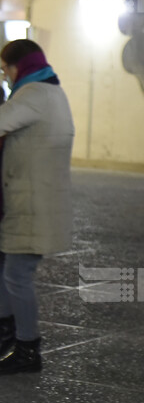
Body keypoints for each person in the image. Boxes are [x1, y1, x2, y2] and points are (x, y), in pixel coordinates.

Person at [0, 39, 74, 375]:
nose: (6, 76)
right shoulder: (53, 92)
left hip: (31, 201)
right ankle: (9, 334)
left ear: (18, 66)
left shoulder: (33, 96)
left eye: (5, 69)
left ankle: (28, 349)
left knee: (17, 275)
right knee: (9, 270)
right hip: (36, 197)